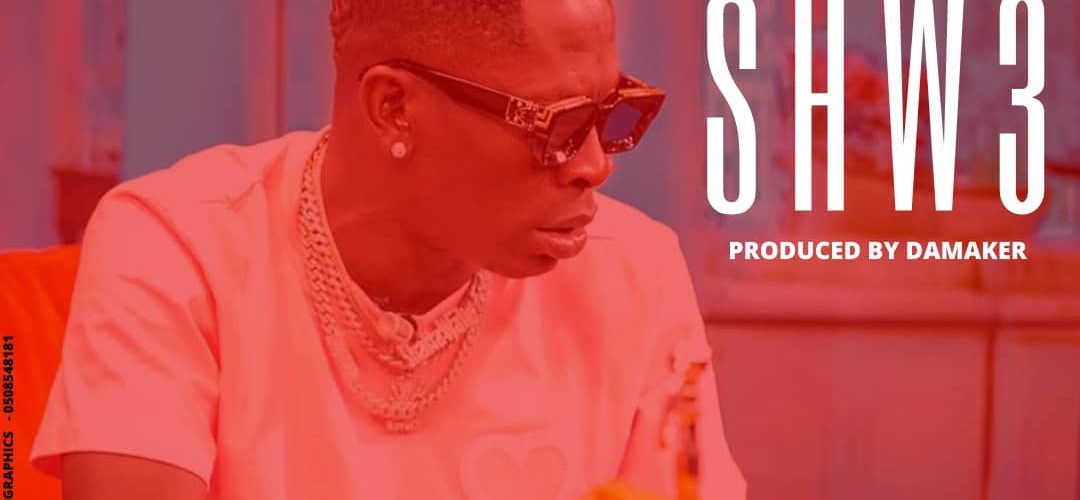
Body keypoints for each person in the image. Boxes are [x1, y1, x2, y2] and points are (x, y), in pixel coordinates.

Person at [30, 0, 746, 498]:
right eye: (557, 126)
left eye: (615, 113)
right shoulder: (174, 247)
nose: (595, 164)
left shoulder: (633, 271)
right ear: (393, 108)